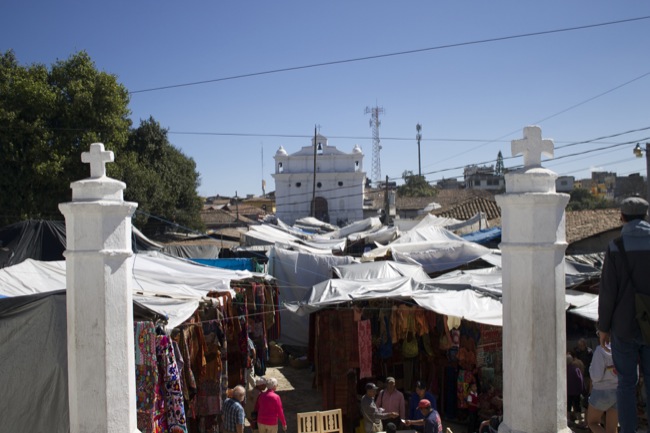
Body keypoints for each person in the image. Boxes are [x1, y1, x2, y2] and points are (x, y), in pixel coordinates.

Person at [598, 196, 650, 433]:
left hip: (624, 327)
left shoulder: (615, 247)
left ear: (622, 217)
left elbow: (608, 292)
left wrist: (604, 328)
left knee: (626, 385)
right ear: (645, 216)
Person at [586, 340, 618, 433]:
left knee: (592, 422)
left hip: (601, 390)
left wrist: (591, 369)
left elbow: (596, 377)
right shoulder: (624, 349)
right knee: (612, 429)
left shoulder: (600, 350)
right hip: (619, 391)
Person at [567, 354, 585, 428]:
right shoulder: (576, 369)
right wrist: (582, 389)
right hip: (575, 391)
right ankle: (580, 421)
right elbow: (580, 380)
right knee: (577, 406)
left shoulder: (563, 369)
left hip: (567, 391)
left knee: (568, 406)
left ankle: (567, 420)